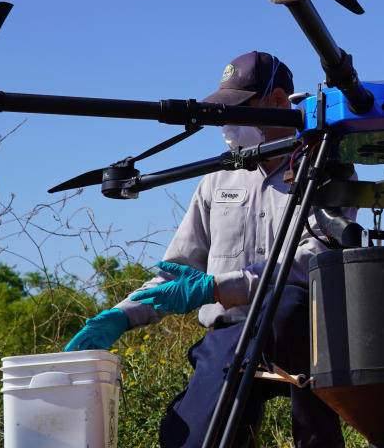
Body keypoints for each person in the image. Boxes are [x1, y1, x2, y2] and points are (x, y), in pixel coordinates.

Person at [65, 51, 346, 448]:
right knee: (191, 440)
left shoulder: (326, 164)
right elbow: (176, 273)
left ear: (280, 102)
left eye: (240, 110)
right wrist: (121, 315)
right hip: (230, 333)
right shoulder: (218, 179)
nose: (228, 123)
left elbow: (311, 260)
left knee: (290, 308)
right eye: (223, 112)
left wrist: (215, 288)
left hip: (305, 331)